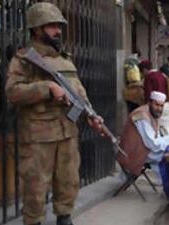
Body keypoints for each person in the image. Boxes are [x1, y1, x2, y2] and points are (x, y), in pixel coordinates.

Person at [5, 3, 103, 225]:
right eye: (51, 26)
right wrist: (46, 88)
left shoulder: (65, 60)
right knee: (35, 186)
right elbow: (13, 92)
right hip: (38, 135)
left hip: (67, 132)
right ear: (36, 29)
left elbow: (79, 93)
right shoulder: (23, 59)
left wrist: (92, 116)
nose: (57, 30)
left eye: (59, 26)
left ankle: (64, 218)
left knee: (68, 182)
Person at [117, 91, 169, 178]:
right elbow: (152, 143)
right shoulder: (142, 115)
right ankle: (168, 183)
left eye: (161, 106)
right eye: (156, 105)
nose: (159, 108)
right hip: (133, 154)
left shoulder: (151, 113)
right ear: (150, 103)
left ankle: (168, 182)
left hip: (142, 148)